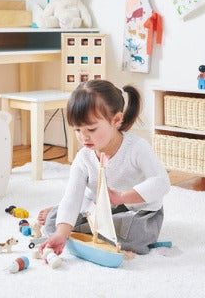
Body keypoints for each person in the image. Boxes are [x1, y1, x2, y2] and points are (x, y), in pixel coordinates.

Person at [38, 79, 170, 256]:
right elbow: (72, 196)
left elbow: (162, 183)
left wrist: (121, 197)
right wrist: (61, 234)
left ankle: (87, 228)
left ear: (116, 120)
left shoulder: (137, 148)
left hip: (137, 211)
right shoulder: (83, 157)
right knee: (55, 224)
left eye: (91, 129)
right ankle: (72, 221)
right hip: (98, 209)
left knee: (135, 236)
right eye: (77, 130)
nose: (84, 137)